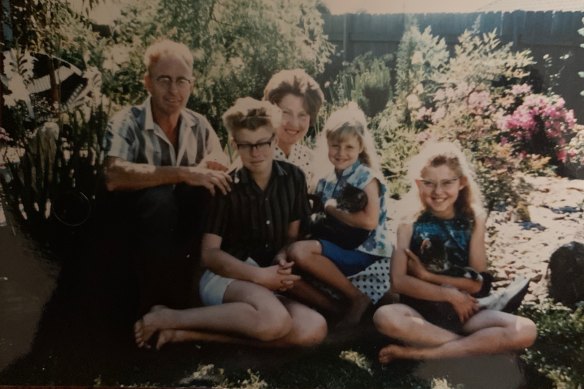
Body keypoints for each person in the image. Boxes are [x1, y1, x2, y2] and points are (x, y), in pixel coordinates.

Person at [133, 97, 327, 349]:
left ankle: (186, 334)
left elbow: (293, 236)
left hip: (268, 276)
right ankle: (171, 316)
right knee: (274, 321)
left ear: (274, 140)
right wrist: (259, 276)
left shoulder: (294, 179)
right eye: (246, 145)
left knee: (313, 329)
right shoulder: (226, 186)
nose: (256, 153)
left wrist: (281, 256)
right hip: (228, 275)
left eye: (262, 143)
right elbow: (210, 255)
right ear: (234, 145)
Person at [373, 141, 537, 363]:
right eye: (429, 183)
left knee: (526, 329)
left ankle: (421, 353)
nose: (438, 192)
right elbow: (398, 282)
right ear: (418, 184)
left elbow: (480, 283)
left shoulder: (473, 219)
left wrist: (428, 276)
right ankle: (477, 351)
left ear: (461, 183)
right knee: (385, 317)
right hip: (422, 314)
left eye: (447, 183)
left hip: (466, 312)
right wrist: (447, 293)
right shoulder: (408, 222)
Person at [102, 39, 231, 314]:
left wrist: (215, 163)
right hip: (133, 230)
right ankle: (152, 307)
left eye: (181, 81)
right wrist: (183, 173)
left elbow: (221, 161)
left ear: (191, 86)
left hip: (182, 229)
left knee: (209, 191)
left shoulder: (199, 124)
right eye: (164, 80)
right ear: (147, 82)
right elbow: (113, 174)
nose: (174, 90)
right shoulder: (127, 120)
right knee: (158, 199)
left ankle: (197, 295)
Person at [285, 103, 392, 328]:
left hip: (363, 252)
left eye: (349, 147)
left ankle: (356, 297)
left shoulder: (366, 178)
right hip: (337, 247)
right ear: (327, 145)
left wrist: (333, 210)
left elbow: (369, 221)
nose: (341, 153)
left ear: (360, 146)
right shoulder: (326, 179)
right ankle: (334, 310)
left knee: (298, 252)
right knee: (284, 268)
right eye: (335, 146)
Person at [263, 68, 324, 191]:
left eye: (302, 115)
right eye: (286, 112)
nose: (294, 124)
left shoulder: (311, 159)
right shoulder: (255, 156)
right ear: (270, 112)